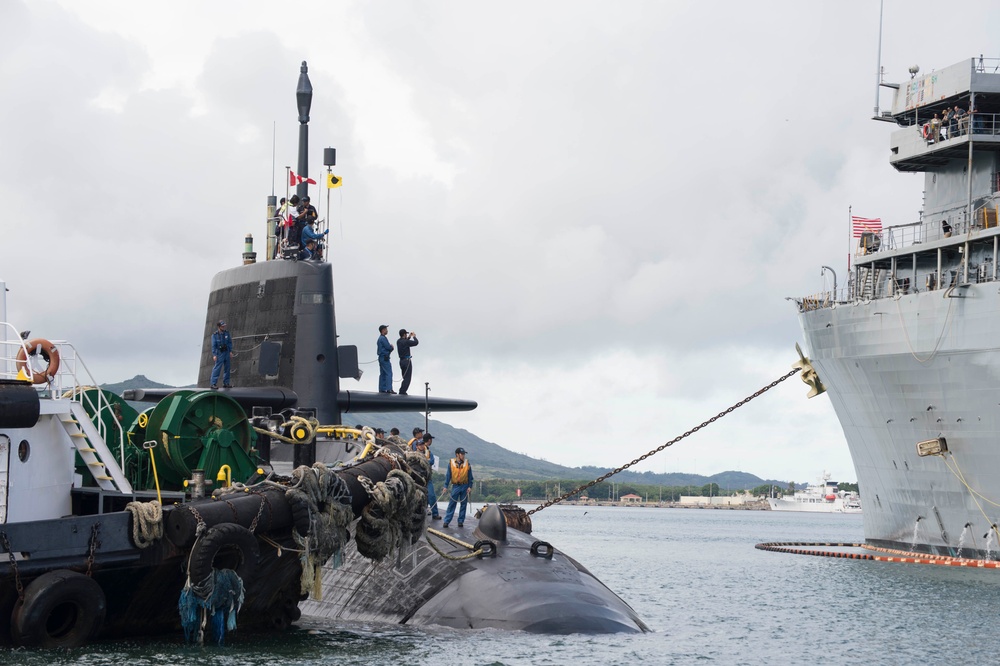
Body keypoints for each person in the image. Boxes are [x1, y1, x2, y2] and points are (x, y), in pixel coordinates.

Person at [442, 446, 473, 528]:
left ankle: (460, 521)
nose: (463, 456)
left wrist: (470, 486)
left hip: (465, 486)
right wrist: (445, 486)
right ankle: (447, 521)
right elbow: (448, 476)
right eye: (462, 454)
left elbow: (470, 477)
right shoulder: (451, 464)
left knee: (463, 504)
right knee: (452, 504)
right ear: (457, 454)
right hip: (455, 486)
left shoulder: (467, 464)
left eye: (464, 454)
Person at [416, 433, 441, 519]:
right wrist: (426, 461)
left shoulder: (429, 453)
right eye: (420, 444)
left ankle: (435, 513)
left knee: (432, 496)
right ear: (417, 446)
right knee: (418, 497)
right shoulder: (414, 455)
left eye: (423, 444)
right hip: (418, 479)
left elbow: (432, 461)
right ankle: (419, 513)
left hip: (427, 478)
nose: (422, 446)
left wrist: (424, 461)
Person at [210, 320, 233, 389]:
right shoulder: (215, 335)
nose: (223, 327)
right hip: (219, 353)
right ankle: (213, 383)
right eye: (222, 326)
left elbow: (229, 342)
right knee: (217, 368)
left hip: (226, 352)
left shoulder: (227, 333)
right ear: (219, 326)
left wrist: (230, 351)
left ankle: (226, 383)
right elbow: (213, 346)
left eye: (224, 326)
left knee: (227, 368)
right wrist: (214, 355)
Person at [396, 329, 419, 395]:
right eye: (406, 334)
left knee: (404, 377)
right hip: (407, 361)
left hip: (401, 361)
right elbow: (416, 342)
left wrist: (408, 337)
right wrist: (414, 336)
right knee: (407, 378)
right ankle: (402, 391)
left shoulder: (398, 341)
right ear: (404, 334)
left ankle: (402, 390)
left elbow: (405, 342)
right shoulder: (406, 342)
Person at [377, 325, 395, 393]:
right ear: (383, 330)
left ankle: (382, 388)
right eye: (386, 329)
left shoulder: (379, 338)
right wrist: (391, 347)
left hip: (381, 358)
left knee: (383, 374)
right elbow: (388, 347)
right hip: (385, 358)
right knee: (388, 373)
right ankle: (389, 388)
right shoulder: (383, 338)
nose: (387, 330)